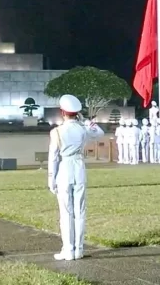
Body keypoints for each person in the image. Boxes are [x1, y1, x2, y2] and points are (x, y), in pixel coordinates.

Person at [47, 94, 104, 261]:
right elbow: (99, 133)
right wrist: (86, 121)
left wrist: (51, 178)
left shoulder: (56, 132)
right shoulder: (82, 129)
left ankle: (68, 250)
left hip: (64, 170)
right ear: (76, 113)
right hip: (79, 168)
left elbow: (53, 157)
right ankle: (79, 249)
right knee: (80, 211)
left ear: (62, 112)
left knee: (66, 213)